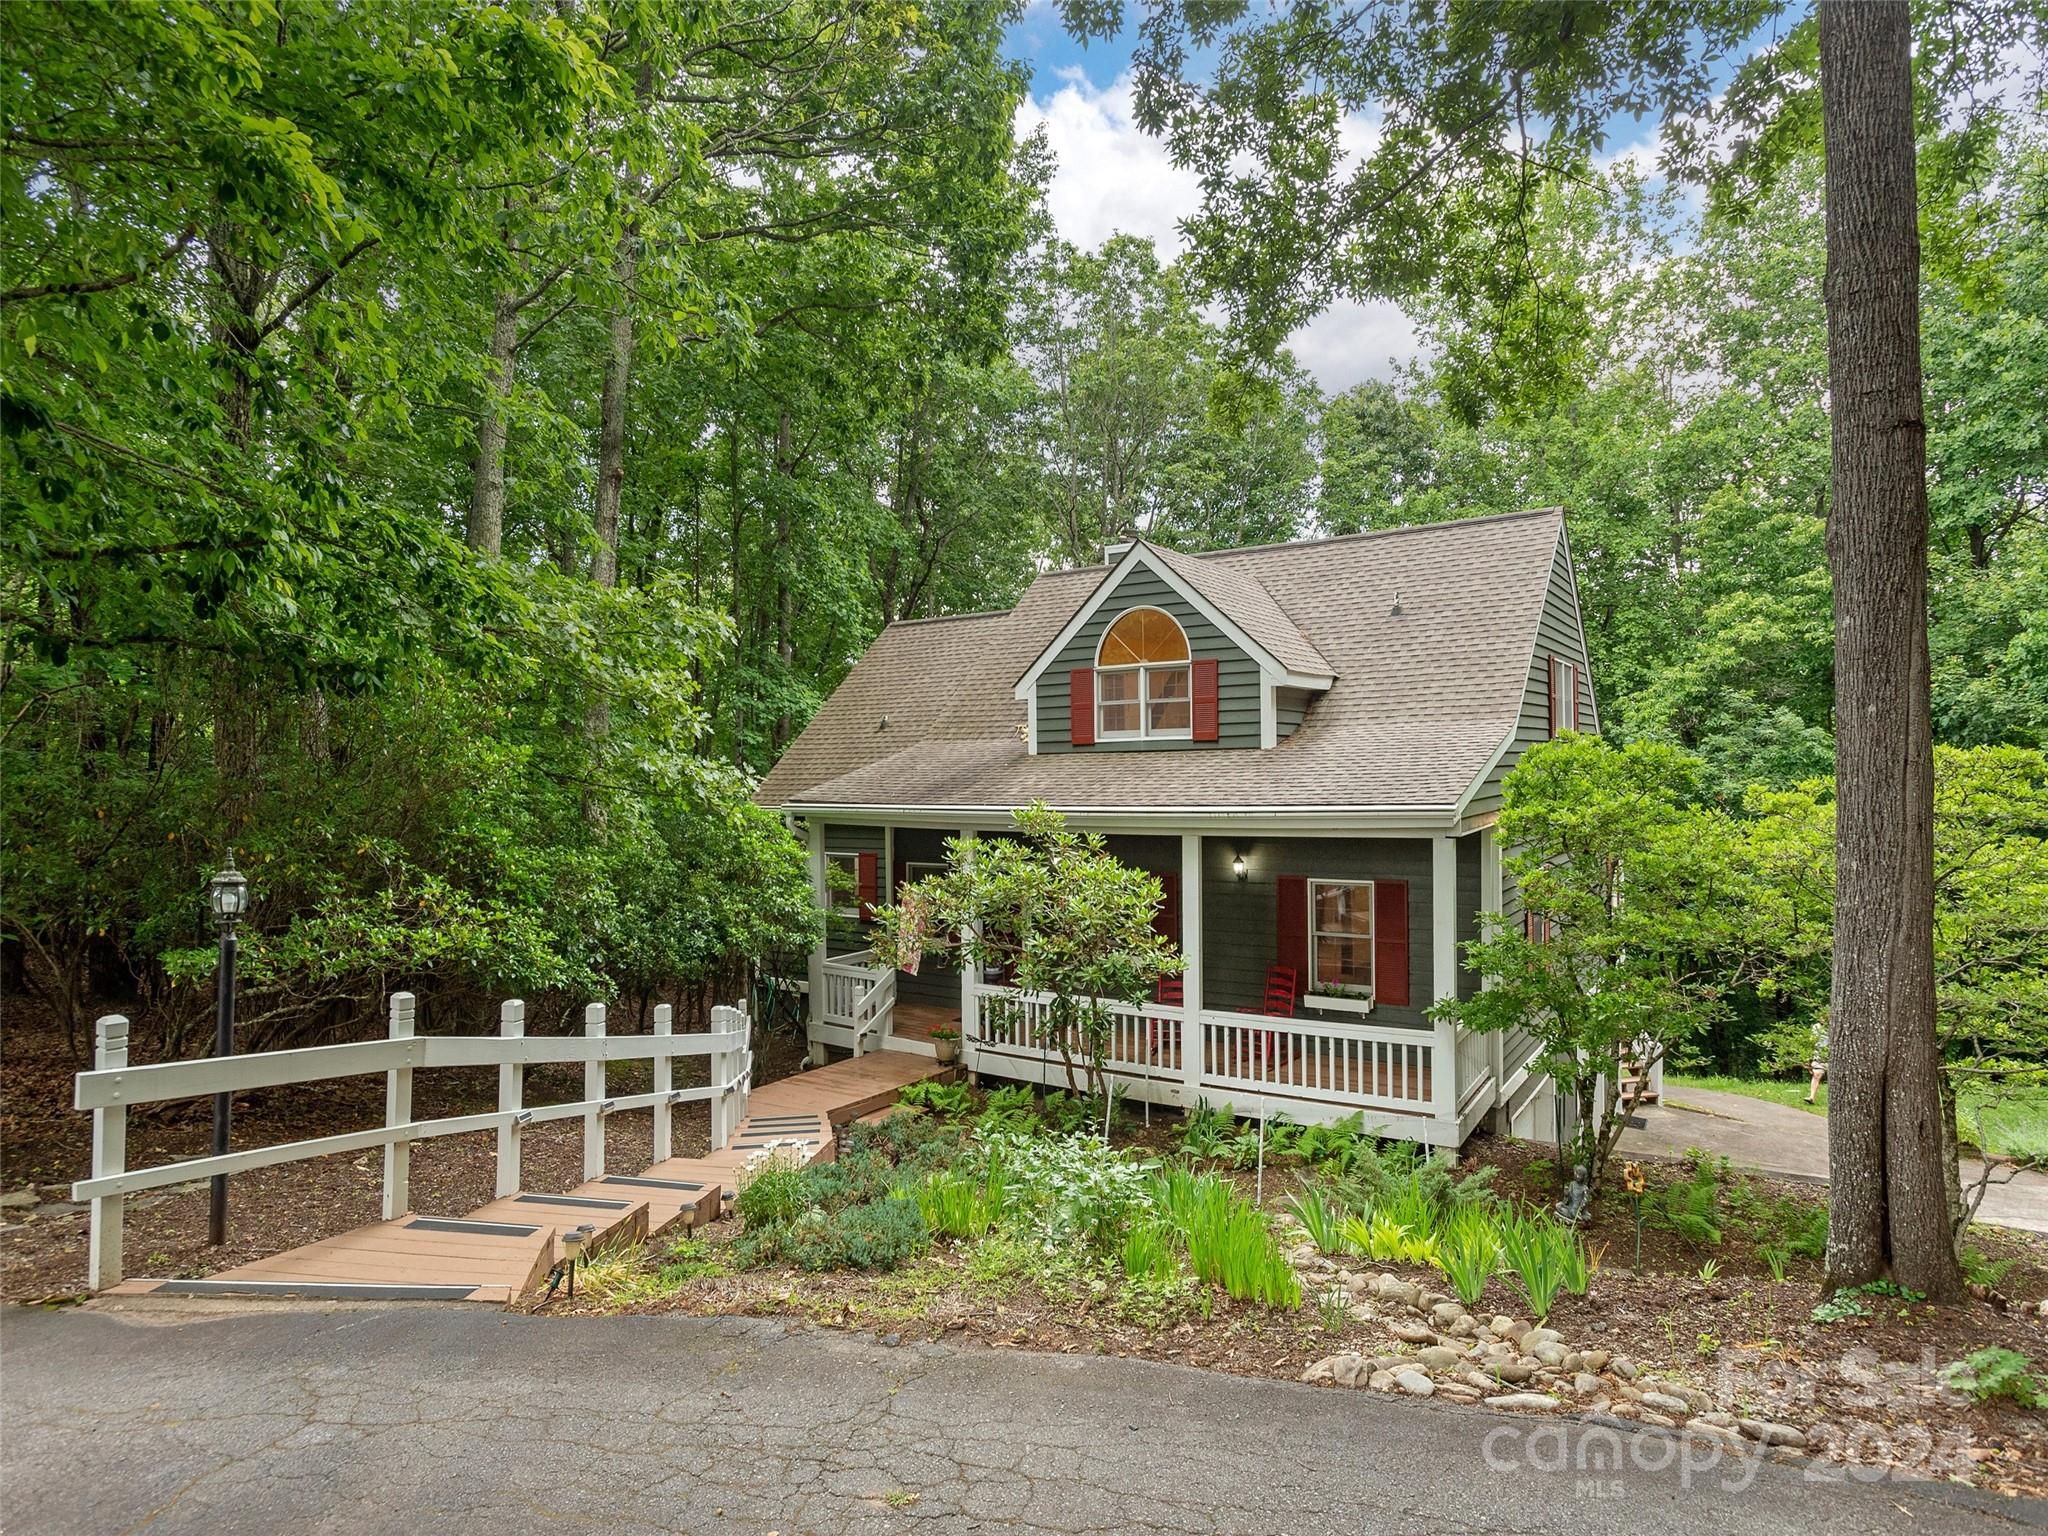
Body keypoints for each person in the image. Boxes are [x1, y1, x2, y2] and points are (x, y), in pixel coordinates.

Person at [1806, 1018, 1829, 1105]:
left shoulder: (1835, 1026)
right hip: (1819, 1056)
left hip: (1832, 1056)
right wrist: (1809, 1059)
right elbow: (1812, 1042)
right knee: (1816, 1075)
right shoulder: (1816, 1027)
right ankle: (1811, 1097)